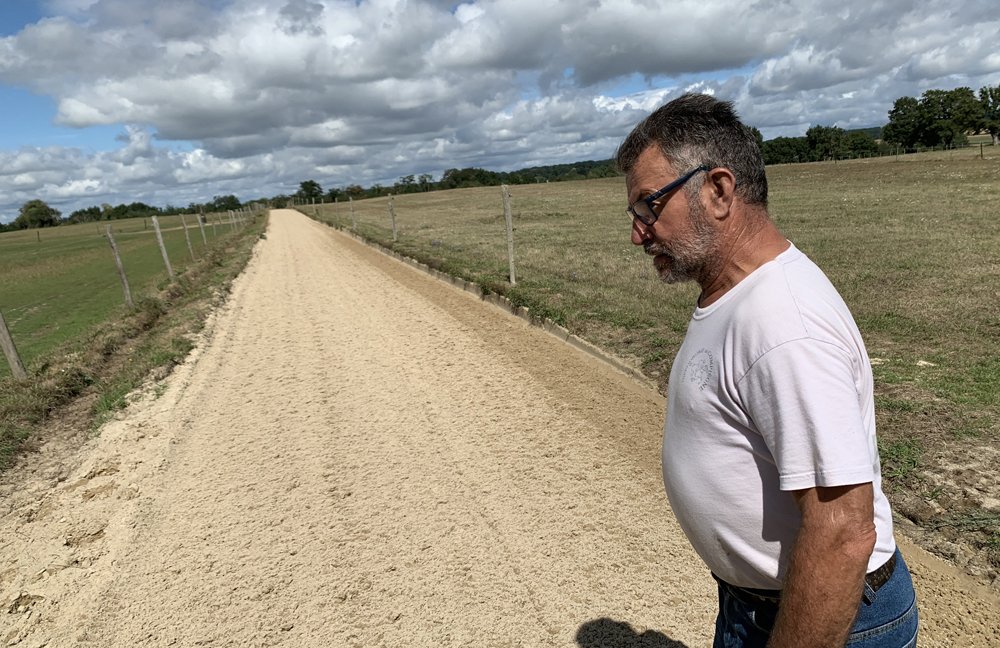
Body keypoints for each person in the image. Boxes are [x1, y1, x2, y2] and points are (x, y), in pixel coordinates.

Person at [616, 94, 918, 647]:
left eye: (649, 206)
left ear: (718, 190)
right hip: (757, 606)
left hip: (828, 618)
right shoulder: (736, 294)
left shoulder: (784, 324)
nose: (639, 232)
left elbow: (843, 532)